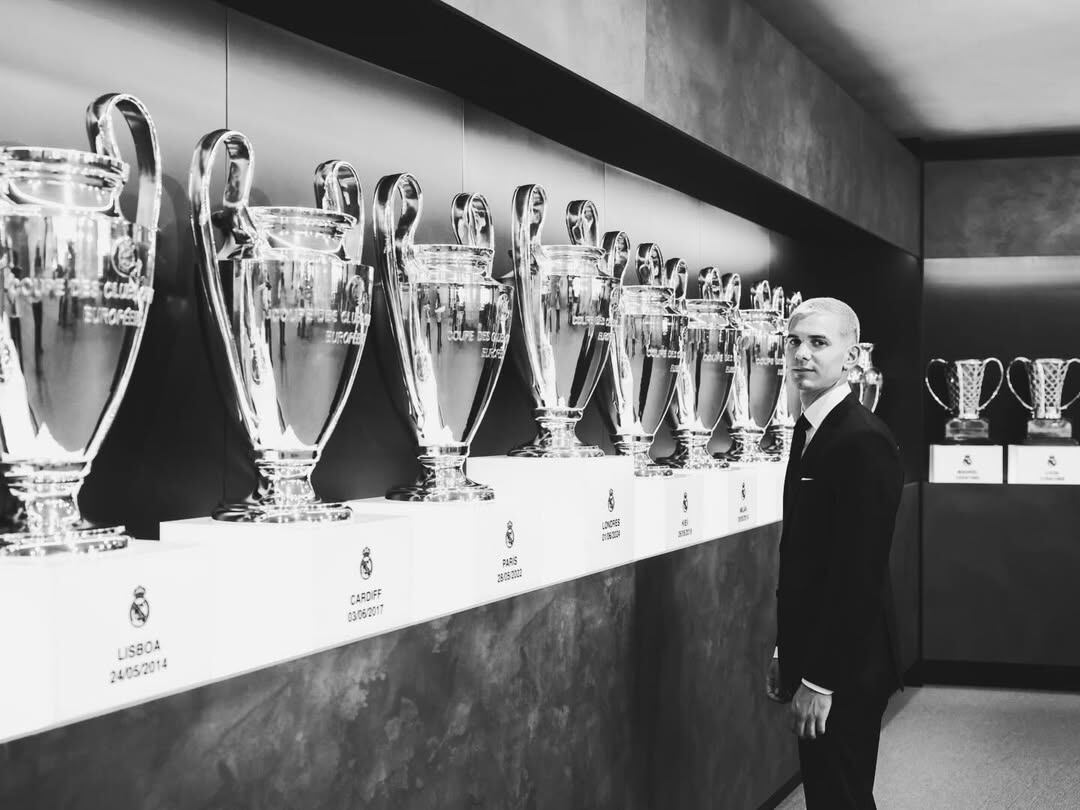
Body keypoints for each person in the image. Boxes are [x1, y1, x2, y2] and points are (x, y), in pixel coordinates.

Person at [766, 297, 903, 810]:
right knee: (828, 795)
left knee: (841, 798)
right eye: (794, 342)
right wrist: (787, 650)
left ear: (851, 358)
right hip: (818, 655)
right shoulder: (812, 429)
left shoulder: (862, 439)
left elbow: (856, 574)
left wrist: (821, 680)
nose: (802, 353)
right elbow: (806, 562)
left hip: (846, 667)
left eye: (819, 343)